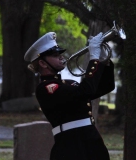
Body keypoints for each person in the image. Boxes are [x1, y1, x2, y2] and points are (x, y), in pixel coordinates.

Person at [24, 32, 115, 160]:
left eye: (60, 54)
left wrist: (103, 60)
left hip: (91, 142)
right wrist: (93, 58)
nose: (61, 57)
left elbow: (107, 86)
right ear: (43, 64)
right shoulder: (46, 88)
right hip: (71, 147)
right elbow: (86, 91)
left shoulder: (69, 83)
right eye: (55, 55)